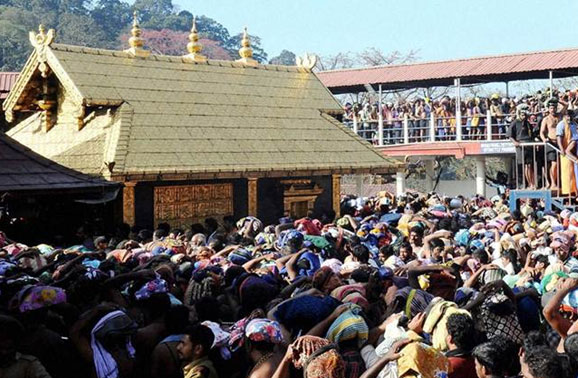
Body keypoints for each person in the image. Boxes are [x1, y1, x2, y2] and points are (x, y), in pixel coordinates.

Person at [508, 106, 536, 188]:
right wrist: (515, 142)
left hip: (529, 146)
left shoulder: (527, 123)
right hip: (521, 146)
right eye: (523, 115)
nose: (524, 116)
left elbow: (531, 135)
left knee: (530, 165)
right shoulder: (515, 122)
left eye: (525, 115)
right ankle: (530, 184)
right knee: (525, 165)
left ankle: (533, 183)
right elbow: (510, 135)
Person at [557, 110, 578, 195]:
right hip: (566, 151)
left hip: (574, 150)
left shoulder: (574, 124)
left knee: (573, 174)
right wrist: (561, 149)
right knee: (567, 172)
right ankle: (567, 193)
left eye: (570, 116)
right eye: (567, 116)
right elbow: (559, 137)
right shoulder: (561, 124)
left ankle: (574, 192)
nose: (569, 117)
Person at [540, 101, 560, 189]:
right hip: (550, 143)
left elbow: (566, 106)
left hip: (559, 143)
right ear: (548, 109)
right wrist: (544, 139)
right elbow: (542, 132)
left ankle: (556, 182)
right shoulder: (546, 119)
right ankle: (553, 183)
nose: (553, 110)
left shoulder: (559, 116)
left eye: (554, 108)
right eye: (551, 108)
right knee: (553, 164)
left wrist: (557, 100)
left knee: (557, 164)